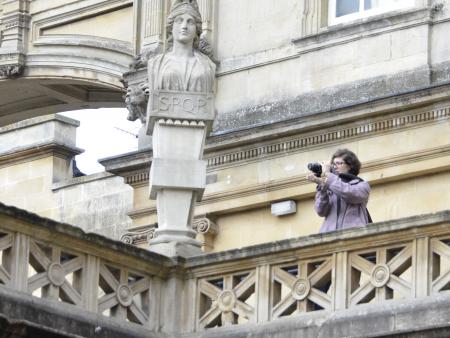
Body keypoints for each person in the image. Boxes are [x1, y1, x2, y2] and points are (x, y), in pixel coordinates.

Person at [147, 0, 216, 93]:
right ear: (171, 28)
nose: (184, 26)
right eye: (179, 21)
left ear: (197, 29)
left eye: (190, 22)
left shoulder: (208, 66)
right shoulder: (155, 64)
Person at [307, 149, 371, 233]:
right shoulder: (330, 185)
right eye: (333, 164)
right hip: (329, 238)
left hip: (354, 235)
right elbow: (321, 211)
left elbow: (350, 194)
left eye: (339, 163)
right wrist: (322, 186)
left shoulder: (362, 185)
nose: (335, 167)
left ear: (350, 165)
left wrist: (328, 174)